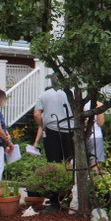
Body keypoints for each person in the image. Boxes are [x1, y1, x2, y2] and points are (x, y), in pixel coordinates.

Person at [33, 81, 73, 212]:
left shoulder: (44, 95)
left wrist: (43, 125)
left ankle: (55, 201)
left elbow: (36, 114)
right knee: (71, 163)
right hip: (70, 130)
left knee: (53, 164)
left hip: (51, 130)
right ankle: (70, 195)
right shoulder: (69, 93)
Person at [84, 100, 105, 171]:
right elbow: (100, 122)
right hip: (96, 135)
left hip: (84, 136)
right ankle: (95, 180)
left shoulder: (82, 105)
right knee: (95, 162)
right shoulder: (99, 104)